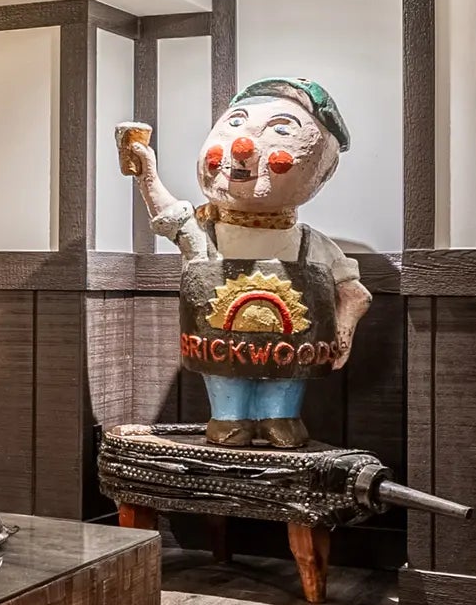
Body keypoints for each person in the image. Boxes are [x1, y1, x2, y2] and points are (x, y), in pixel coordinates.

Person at [116, 76, 370, 449]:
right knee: (226, 382)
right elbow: (167, 214)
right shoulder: (204, 232)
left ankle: (278, 417)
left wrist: (343, 333)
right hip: (219, 347)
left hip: (291, 351)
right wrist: (146, 173)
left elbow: (355, 293)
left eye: (280, 130)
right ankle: (229, 417)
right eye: (235, 124)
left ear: (325, 169)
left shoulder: (311, 245)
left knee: (284, 382)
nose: (243, 148)